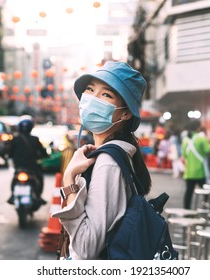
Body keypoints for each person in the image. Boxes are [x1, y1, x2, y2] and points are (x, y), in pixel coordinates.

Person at [51, 61, 152, 259]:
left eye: (106, 94)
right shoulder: (112, 154)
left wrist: (69, 178)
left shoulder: (108, 162)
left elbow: (87, 248)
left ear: (125, 113)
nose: (92, 98)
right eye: (90, 90)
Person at [7, 117, 48, 205]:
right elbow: (43, 152)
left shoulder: (15, 139)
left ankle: (12, 195)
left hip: (19, 167)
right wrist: (45, 155)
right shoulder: (35, 139)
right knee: (39, 178)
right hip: (32, 167)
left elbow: (9, 154)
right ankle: (38, 196)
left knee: (14, 179)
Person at [181, 119, 210, 209]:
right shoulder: (201, 138)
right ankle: (205, 209)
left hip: (189, 172)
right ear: (198, 128)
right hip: (200, 171)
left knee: (188, 193)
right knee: (205, 193)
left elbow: (184, 155)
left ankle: (186, 210)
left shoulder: (185, 140)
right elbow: (208, 151)